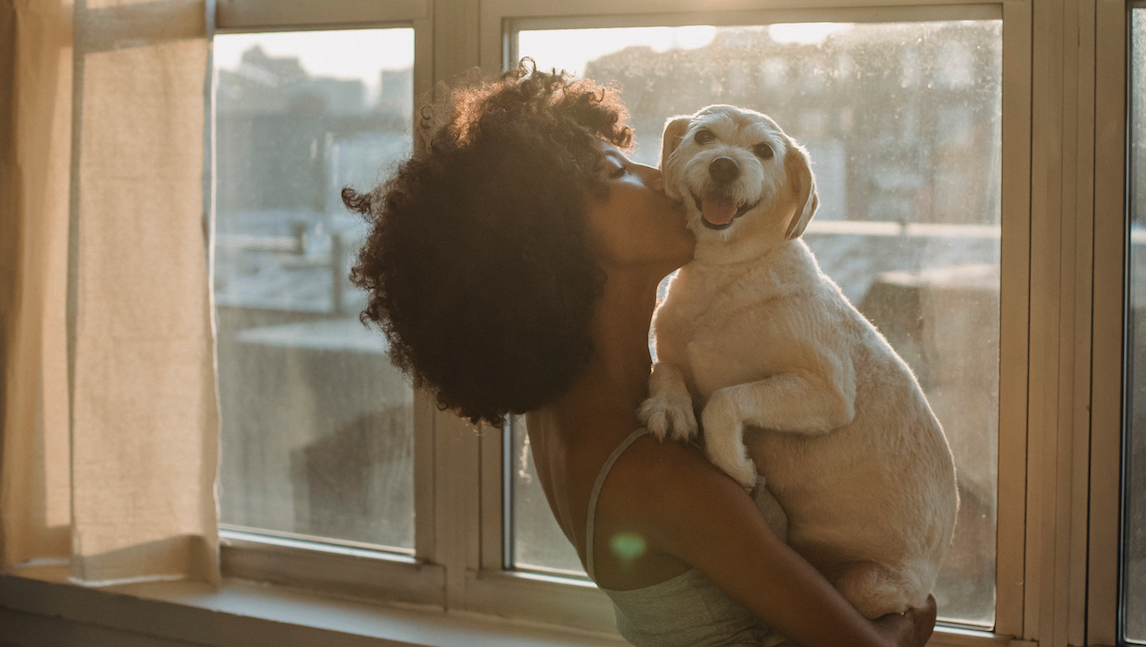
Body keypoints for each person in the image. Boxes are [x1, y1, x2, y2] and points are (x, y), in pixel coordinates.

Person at [344, 62, 937, 647]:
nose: (657, 176)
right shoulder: (658, 476)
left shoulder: (563, 411)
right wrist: (910, 620)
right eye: (616, 170)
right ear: (550, 233)